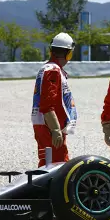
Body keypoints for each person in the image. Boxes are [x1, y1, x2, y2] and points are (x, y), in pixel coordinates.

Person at [31, 32, 78, 167]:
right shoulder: (53, 70)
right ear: (69, 53)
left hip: (46, 124)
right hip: (49, 126)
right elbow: (47, 104)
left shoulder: (49, 68)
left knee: (49, 162)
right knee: (57, 165)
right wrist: (56, 129)